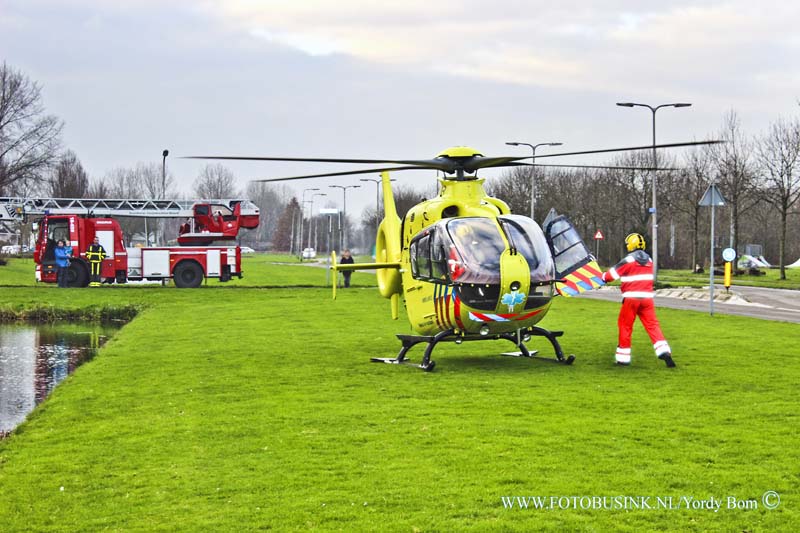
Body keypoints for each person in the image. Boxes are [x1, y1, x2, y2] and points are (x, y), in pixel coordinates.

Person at [601, 233, 675, 368]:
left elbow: (610, 276)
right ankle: (664, 351)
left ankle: (623, 358)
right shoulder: (649, 260)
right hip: (647, 299)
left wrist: (602, 276)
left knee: (625, 326)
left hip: (631, 299)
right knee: (652, 325)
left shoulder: (628, 260)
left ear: (631, 245)